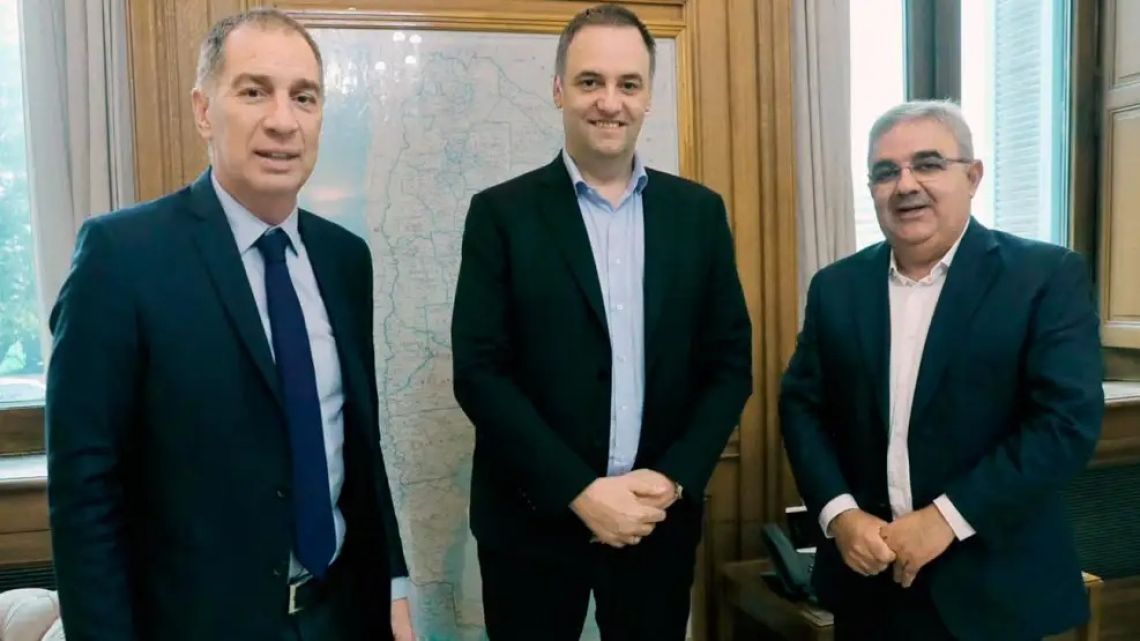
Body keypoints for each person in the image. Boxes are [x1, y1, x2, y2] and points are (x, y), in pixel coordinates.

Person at [46, 9, 415, 641]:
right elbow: (85, 494)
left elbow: (354, 443)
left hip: (341, 615)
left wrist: (394, 587)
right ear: (203, 110)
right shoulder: (122, 258)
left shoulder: (345, 259)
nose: (282, 120)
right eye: (254, 91)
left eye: (304, 97)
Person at [450, 4, 752, 641]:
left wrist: (672, 480)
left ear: (648, 96)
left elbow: (729, 366)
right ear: (559, 90)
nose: (609, 102)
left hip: (655, 523)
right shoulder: (500, 215)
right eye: (590, 81)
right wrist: (580, 491)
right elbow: (480, 373)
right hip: (531, 526)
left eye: (628, 84)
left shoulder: (698, 215)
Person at [779, 100, 1104, 641]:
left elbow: (1064, 424)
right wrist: (840, 515)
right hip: (870, 581)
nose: (905, 185)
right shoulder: (836, 287)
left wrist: (945, 519)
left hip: (993, 590)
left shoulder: (1044, 276)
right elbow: (802, 407)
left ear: (972, 177)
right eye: (886, 172)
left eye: (927, 164)